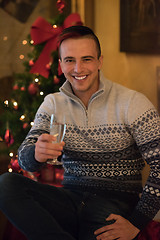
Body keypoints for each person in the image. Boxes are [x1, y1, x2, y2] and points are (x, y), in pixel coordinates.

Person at [0, 25, 160, 240]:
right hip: (69, 197)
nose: (78, 68)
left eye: (86, 59)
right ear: (60, 64)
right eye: (69, 60)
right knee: (6, 184)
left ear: (99, 61)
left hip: (115, 203)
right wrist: (35, 154)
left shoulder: (132, 103)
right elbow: (25, 159)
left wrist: (136, 223)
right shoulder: (52, 103)